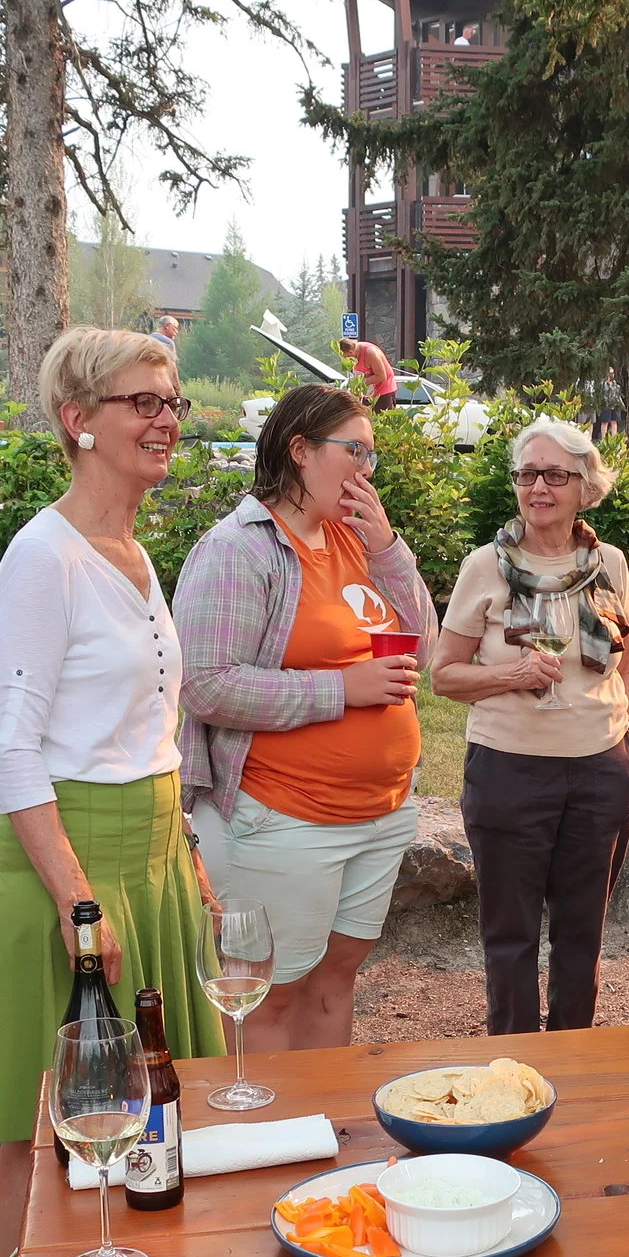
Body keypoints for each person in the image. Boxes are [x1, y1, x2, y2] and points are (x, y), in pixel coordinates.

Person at [0, 326, 230, 1257]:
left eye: (172, 402)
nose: (165, 420)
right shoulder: (46, 557)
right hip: (63, 867)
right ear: (78, 421)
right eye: (141, 402)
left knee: (149, 1111)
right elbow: (11, 748)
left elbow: (151, 725)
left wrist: (184, 850)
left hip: (149, 858)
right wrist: (79, 901)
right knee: (44, 1126)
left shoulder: (137, 556)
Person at [177, 383, 434, 1050]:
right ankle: (265, 1143)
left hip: (378, 815)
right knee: (269, 991)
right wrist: (341, 690)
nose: (367, 471)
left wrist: (390, 549)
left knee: (333, 980)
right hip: (283, 815)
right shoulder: (240, 550)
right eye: (356, 451)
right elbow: (206, 684)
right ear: (300, 449)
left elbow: (424, 650)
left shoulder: (356, 543)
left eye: (371, 456)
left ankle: (324, 1133)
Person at [433, 416, 629, 1033]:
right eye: (528, 475)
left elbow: (628, 665)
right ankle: (515, 1070)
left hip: (600, 769)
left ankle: (574, 1062)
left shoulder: (608, 562)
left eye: (555, 475)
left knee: (583, 938)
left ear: (585, 487)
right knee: (511, 939)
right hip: (509, 770)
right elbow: (443, 675)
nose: (539, 488)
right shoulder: (486, 568)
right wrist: (510, 675)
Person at [337, 335, 401, 411]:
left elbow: (381, 376)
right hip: (368, 394)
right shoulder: (354, 357)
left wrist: (358, 383)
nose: (345, 359)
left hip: (383, 392)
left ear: (351, 351)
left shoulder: (370, 352)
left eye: (346, 356)